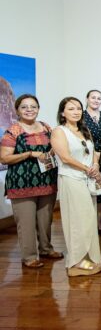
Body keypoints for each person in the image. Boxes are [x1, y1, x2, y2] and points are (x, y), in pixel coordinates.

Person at [0, 94, 62, 268]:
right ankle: (29, 256)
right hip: (22, 185)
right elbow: (4, 158)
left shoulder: (46, 127)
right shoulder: (13, 131)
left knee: (45, 220)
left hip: (47, 181)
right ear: (17, 110)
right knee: (26, 223)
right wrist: (29, 154)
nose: (29, 110)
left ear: (38, 109)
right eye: (24, 107)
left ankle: (46, 249)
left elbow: (54, 148)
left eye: (33, 106)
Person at [51, 97, 101, 276]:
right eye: (71, 109)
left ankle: (88, 256)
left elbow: (93, 151)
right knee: (77, 220)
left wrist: (95, 165)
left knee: (89, 219)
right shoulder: (59, 131)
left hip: (87, 178)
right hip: (71, 179)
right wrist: (87, 169)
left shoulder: (84, 130)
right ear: (62, 113)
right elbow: (65, 157)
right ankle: (76, 260)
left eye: (79, 108)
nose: (76, 112)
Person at [83, 89, 101, 236]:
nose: (96, 100)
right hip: (85, 157)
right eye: (93, 97)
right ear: (87, 99)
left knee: (100, 190)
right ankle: (88, 222)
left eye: (99, 98)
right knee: (87, 190)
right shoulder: (81, 116)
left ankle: (100, 222)